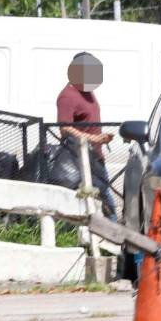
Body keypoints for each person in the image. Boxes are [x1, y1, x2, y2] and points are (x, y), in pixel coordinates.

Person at [56, 52, 117, 218]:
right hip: (80, 158)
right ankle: (111, 231)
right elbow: (65, 129)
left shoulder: (88, 91)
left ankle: (107, 230)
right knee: (105, 203)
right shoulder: (67, 96)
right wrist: (93, 138)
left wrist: (100, 138)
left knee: (104, 201)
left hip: (96, 157)